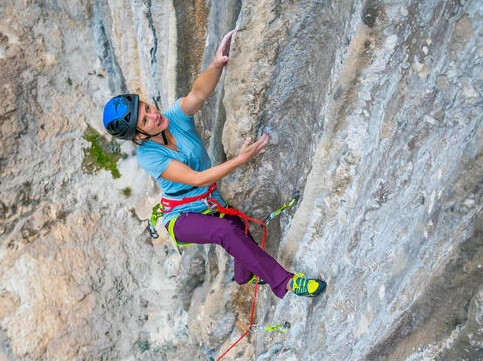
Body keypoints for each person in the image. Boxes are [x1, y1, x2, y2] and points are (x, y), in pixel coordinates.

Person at [102, 29, 326, 300]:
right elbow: (197, 179)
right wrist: (241, 159)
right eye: (145, 119)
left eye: (147, 108)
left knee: (239, 230)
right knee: (226, 230)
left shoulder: (174, 118)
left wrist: (216, 64)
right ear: (139, 135)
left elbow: (197, 94)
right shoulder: (148, 155)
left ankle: (247, 276)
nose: (153, 114)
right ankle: (287, 282)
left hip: (209, 200)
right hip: (181, 217)